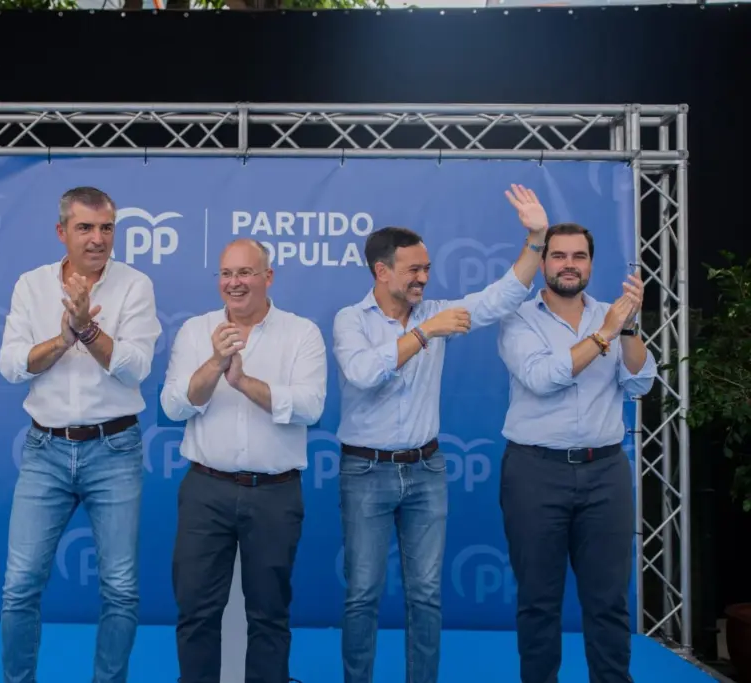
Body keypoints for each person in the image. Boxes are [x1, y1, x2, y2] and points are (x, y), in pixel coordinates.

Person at [331, 185, 551, 683]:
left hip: (427, 470)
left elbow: (503, 295)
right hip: (365, 470)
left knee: (426, 594)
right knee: (363, 594)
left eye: (427, 269)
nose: (424, 278)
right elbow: (365, 373)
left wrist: (535, 238)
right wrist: (425, 334)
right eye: (414, 269)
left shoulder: (437, 311)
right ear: (381, 271)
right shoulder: (351, 320)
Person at [0, 186, 162, 683]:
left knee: (120, 588)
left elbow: (135, 369)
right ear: (61, 231)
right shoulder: (31, 285)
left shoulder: (135, 285)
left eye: (107, 228)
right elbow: (10, 366)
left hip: (115, 450)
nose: (98, 238)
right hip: (44, 449)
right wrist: (64, 336)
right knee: (19, 586)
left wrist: (88, 331)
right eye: (86, 228)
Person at [160, 238, 327, 683]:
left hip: (274, 493)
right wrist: (215, 364)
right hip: (205, 491)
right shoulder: (197, 331)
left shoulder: (301, 333)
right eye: (227, 274)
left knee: (269, 614)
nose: (235, 283)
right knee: (195, 611)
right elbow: (175, 405)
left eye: (246, 273)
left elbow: (310, 406)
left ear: (267, 277)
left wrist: (243, 381)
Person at [496, 222, 656, 683]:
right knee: (538, 601)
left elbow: (640, 382)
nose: (569, 265)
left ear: (590, 263)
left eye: (579, 256)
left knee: (608, 601)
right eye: (559, 256)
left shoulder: (612, 313)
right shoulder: (518, 318)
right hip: (534, 473)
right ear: (543, 263)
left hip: (604, 471)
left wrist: (626, 328)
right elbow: (544, 379)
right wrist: (604, 333)